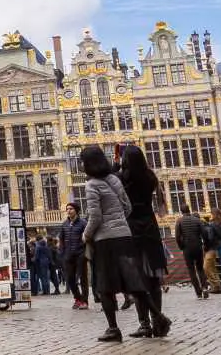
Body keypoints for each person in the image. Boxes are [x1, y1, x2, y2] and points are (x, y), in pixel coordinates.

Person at [82, 145, 165, 341]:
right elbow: (125, 203)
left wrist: (88, 235)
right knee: (150, 280)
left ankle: (142, 324)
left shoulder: (119, 177)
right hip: (149, 228)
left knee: (126, 280)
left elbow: (100, 212)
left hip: (128, 231)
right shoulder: (150, 177)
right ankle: (157, 320)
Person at [172, 207, 209, 300]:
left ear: (181, 211)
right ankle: (204, 287)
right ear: (189, 210)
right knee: (200, 268)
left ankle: (198, 293)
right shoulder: (197, 220)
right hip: (198, 246)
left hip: (187, 248)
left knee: (191, 270)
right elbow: (204, 233)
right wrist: (205, 243)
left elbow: (177, 237)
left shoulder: (179, 221)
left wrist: (181, 246)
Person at [59, 203, 88, 309]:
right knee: (70, 279)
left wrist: (84, 252)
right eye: (67, 209)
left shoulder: (83, 223)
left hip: (80, 255)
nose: (68, 211)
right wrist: (62, 253)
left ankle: (84, 301)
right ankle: (78, 298)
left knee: (82, 278)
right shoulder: (64, 224)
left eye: (71, 209)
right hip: (68, 256)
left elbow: (87, 238)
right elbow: (61, 239)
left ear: (76, 210)